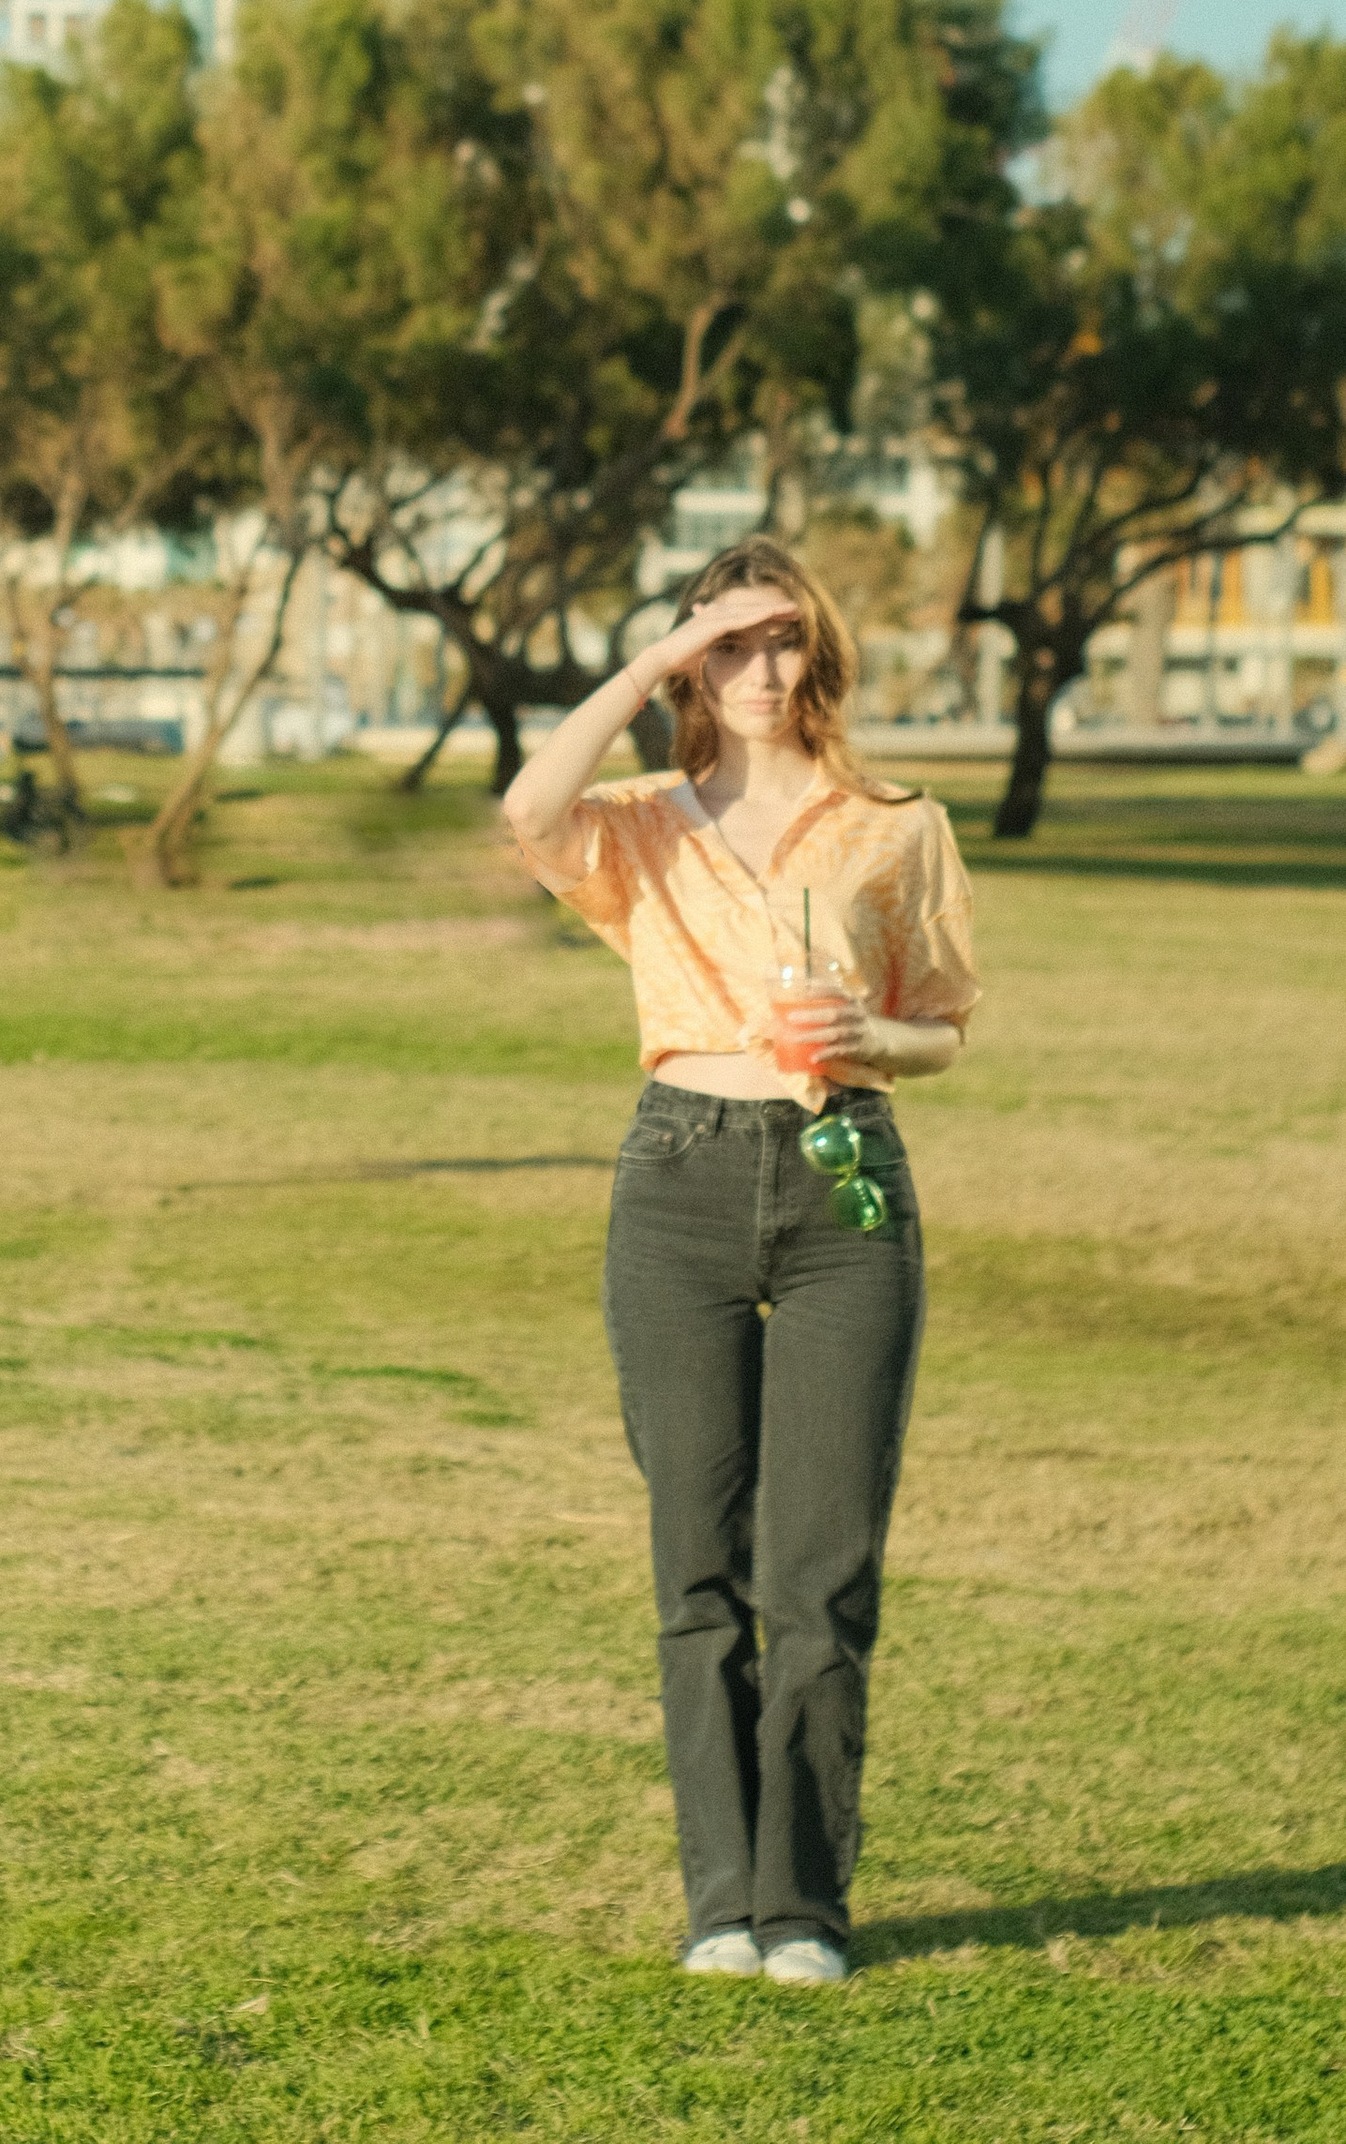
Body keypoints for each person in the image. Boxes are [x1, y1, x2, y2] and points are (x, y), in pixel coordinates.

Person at [503, 535, 979, 1989]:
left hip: (848, 1190)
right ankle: (722, 1898)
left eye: (783, 642)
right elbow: (529, 810)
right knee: (698, 1566)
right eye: (729, 645)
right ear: (690, 667)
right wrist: (650, 659)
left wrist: (870, 1042)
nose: (760, 673)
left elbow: (944, 1023)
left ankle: (805, 1907)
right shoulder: (638, 824)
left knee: (820, 1571)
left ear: (819, 656)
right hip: (680, 1185)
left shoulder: (895, 825)